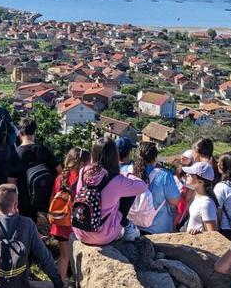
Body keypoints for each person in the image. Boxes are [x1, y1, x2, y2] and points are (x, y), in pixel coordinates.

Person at [72, 138, 147, 245]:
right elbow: (142, 186)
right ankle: (128, 228)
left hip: (80, 230)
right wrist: (126, 174)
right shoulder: (117, 180)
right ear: (114, 156)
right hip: (102, 236)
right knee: (130, 193)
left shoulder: (83, 171)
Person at [49, 147, 89, 284]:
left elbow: (52, 199)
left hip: (59, 222)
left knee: (64, 255)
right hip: (72, 226)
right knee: (68, 257)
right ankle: (60, 283)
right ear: (82, 163)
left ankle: (60, 279)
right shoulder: (82, 180)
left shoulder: (60, 178)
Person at [13, 118, 59, 223]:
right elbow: (60, 171)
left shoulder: (16, 154)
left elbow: (11, 182)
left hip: (24, 201)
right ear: (35, 132)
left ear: (20, 133)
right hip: (44, 199)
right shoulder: (44, 149)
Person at [130, 142, 181, 234]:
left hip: (132, 227)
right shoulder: (164, 175)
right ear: (155, 158)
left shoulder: (128, 171)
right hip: (158, 229)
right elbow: (174, 201)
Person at [182, 161, 219, 234]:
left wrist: (199, 233)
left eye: (191, 174)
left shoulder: (206, 204)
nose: (187, 174)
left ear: (200, 182)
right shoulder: (198, 197)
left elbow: (213, 234)